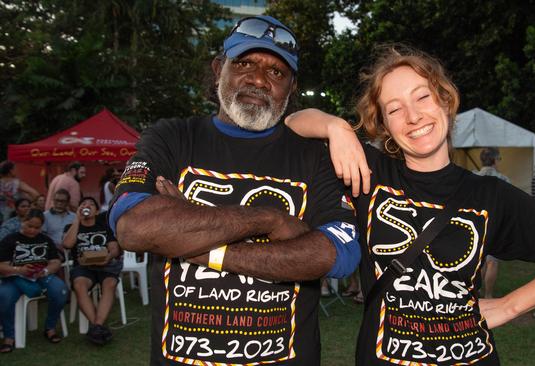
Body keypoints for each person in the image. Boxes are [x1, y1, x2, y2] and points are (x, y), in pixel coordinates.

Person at [285, 43, 535, 365]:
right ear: (385, 126)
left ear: (445, 101)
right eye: (394, 109)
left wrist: (510, 306)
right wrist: (336, 127)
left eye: (422, 97)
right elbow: (293, 123)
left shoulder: (492, 195)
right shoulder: (368, 171)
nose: (413, 115)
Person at [109, 15, 359, 365]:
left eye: (276, 72)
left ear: (291, 87)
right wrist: (268, 220)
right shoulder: (172, 137)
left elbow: (336, 255)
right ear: (218, 69)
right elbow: (135, 227)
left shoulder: (314, 156)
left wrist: (197, 245)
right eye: (244, 63)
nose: (258, 80)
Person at [0, 209, 68, 352]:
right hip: (15, 277)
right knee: (4, 296)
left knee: (60, 291)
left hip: (41, 276)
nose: (32, 230)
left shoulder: (45, 239)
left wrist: (45, 271)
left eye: (37, 228)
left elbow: (55, 262)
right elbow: (2, 266)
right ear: (22, 221)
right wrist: (19, 270)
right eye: (29, 226)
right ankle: (9, 336)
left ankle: (50, 328)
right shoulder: (10, 239)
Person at [62, 197, 122, 345]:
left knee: (110, 284)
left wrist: (108, 257)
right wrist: (77, 220)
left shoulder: (104, 226)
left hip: (105, 265)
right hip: (83, 268)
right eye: (83, 204)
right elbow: (67, 244)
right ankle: (99, 327)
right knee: (79, 285)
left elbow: (115, 248)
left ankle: (96, 326)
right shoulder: (72, 226)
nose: (86, 206)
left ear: (96, 211)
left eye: (91, 204)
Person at [474, 147, 510, 299]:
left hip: (476, 222)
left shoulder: (472, 176)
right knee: (492, 262)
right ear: (495, 160)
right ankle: (488, 295)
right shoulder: (504, 179)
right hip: (496, 222)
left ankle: (477, 291)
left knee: (479, 260)